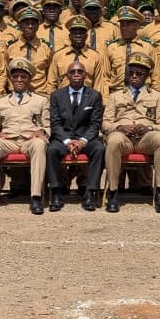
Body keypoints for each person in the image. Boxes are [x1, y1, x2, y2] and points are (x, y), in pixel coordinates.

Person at [0, 58, 51, 215]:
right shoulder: (0, 102)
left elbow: (47, 125)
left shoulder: (41, 100)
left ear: (29, 79)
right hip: (9, 141)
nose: (19, 80)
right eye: (16, 76)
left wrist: (43, 132)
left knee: (39, 145)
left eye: (23, 77)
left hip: (29, 140)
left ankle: (36, 196)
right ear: (11, 79)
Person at [102, 53, 160, 213]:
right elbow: (105, 124)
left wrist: (150, 128)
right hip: (123, 138)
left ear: (147, 76)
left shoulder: (157, 96)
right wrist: (118, 127)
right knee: (113, 141)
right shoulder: (115, 96)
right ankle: (113, 192)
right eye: (131, 72)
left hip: (145, 139)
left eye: (139, 73)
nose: (134, 76)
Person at [47, 61, 106, 211]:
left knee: (99, 149)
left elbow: (95, 124)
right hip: (63, 138)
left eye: (80, 72)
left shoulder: (94, 96)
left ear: (85, 75)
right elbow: (55, 123)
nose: (76, 75)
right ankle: (56, 192)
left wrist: (82, 141)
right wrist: (67, 141)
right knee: (51, 150)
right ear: (67, 76)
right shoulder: (56, 96)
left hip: (86, 138)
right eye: (72, 72)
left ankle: (90, 193)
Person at [106, 6, 160, 94]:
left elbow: (156, 76)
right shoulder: (111, 47)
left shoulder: (147, 47)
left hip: (143, 95)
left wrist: (154, 98)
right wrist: (105, 99)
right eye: (122, 24)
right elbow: (105, 77)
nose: (124, 27)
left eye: (129, 24)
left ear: (137, 25)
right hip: (117, 94)